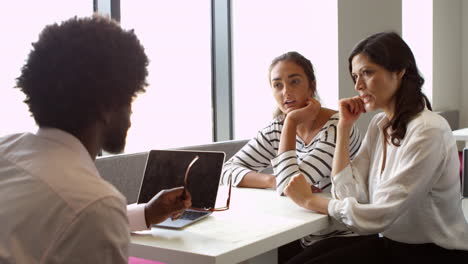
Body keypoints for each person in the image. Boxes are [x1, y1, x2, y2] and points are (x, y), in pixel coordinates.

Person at [0, 15, 191, 264]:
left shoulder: (7, 149)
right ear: (107, 107)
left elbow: (49, 223)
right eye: (129, 99)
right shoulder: (94, 203)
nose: (130, 114)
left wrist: (147, 213)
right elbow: (81, 212)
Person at [284, 32, 468, 263]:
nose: (359, 85)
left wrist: (310, 201)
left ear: (399, 71)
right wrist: (344, 127)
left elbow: (381, 214)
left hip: (436, 253)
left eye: (367, 73)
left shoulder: (428, 129)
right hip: (391, 244)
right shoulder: (379, 125)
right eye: (354, 76)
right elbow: (349, 193)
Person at [221, 51, 362, 262]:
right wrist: (271, 180)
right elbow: (225, 171)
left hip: (346, 235)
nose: (286, 92)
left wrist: (291, 122)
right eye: (277, 85)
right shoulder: (277, 127)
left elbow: (294, 185)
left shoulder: (338, 125)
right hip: (303, 236)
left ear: (311, 86)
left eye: (294, 82)